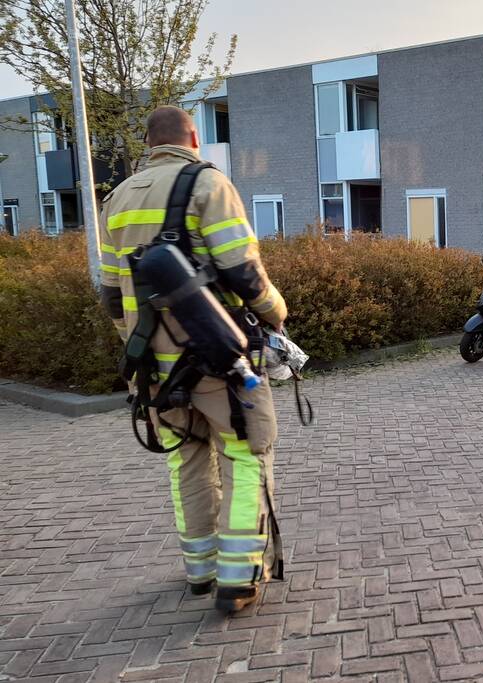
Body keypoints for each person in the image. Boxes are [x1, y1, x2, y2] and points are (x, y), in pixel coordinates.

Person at [99, 106, 288, 614]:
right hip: (216, 363)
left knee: (186, 459)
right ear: (194, 138)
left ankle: (200, 573)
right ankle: (239, 579)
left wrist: (142, 348)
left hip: (153, 371)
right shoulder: (208, 184)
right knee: (248, 455)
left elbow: (112, 295)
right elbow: (242, 270)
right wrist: (277, 312)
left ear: (148, 143)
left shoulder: (115, 199)